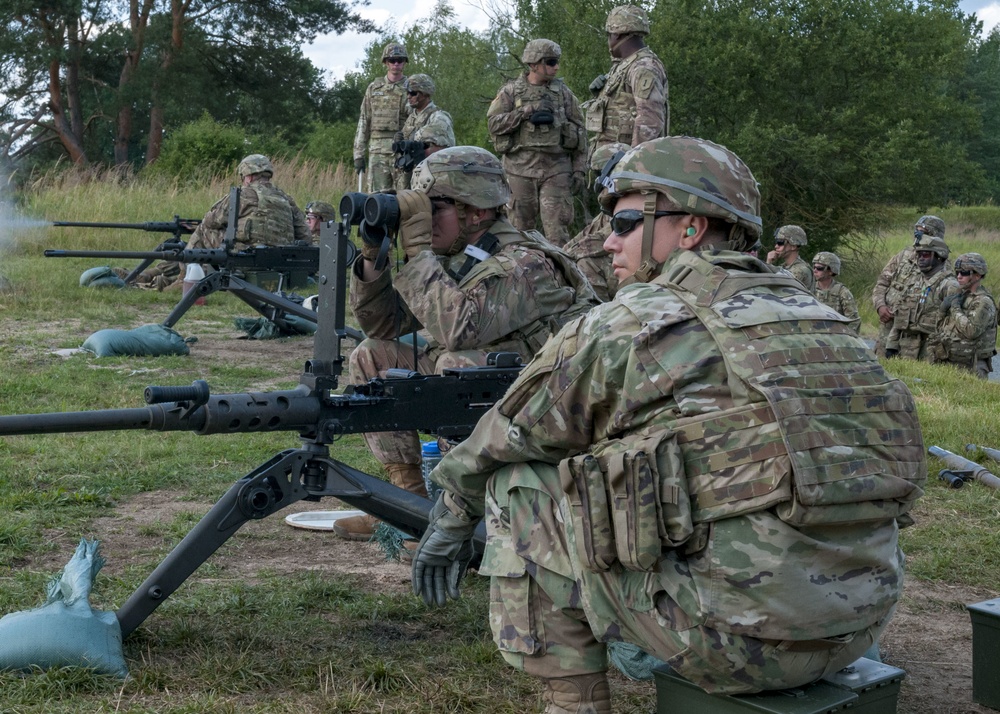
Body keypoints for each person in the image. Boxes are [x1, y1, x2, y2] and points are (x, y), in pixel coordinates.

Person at [410, 136, 925, 712]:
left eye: (626, 220)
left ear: (689, 230)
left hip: (735, 645)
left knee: (517, 483)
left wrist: (452, 519)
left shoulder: (633, 320)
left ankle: (573, 702)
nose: (608, 240)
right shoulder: (827, 319)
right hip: (858, 630)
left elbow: (502, 439)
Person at [333, 145, 599, 541]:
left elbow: (460, 330)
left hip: (553, 395)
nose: (420, 219)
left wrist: (418, 253)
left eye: (433, 207)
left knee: (459, 364)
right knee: (372, 354)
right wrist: (375, 255)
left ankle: (466, 511)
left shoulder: (524, 263)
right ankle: (407, 506)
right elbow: (384, 324)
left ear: (478, 211)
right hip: (502, 384)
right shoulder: (454, 256)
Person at [133, 154, 309, 290]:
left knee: (202, 230)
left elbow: (211, 221)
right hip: (279, 266)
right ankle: (157, 275)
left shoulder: (243, 194)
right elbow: (305, 237)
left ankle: (183, 280)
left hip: (245, 260)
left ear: (247, 176)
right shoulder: (287, 199)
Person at [487, 39, 587, 246]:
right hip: (519, 170)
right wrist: (525, 112)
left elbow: (580, 132)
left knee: (558, 234)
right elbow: (494, 124)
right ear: (533, 64)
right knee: (518, 234)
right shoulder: (510, 92)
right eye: (550, 62)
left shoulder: (564, 94)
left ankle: (562, 276)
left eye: (557, 62)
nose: (556, 67)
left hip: (556, 169)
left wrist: (579, 169)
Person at [583, 6, 667, 165]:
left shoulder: (643, 67)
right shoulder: (625, 65)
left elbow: (650, 120)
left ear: (617, 34)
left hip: (626, 165)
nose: (609, 40)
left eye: (609, 34)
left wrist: (632, 164)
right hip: (613, 162)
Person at [563, 141, 632, 301]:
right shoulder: (607, 213)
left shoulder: (630, 207)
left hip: (633, 277)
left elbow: (596, 243)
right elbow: (582, 238)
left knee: (586, 264)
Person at [872, 215, 948, 357]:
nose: (918, 235)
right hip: (888, 327)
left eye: (923, 232)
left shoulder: (941, 264)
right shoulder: (903, 257)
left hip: (916, 335)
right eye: (916, 231)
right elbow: (882, 283)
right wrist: (880, 305)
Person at [885, 234, 957, 360]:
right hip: (905, 350)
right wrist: (891, 346)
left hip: (931, 352)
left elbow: (954, 326)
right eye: (919, 255)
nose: (921, 258)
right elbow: (899, 315)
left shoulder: (949, 285)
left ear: (939, 257)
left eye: (926, 255)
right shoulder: (913, 282)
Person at [929, 252, 997, 378]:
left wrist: (955, 308)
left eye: (964, 273)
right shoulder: (959, 295)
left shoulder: (983, 302)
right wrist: (942, 311)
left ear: (977, 275)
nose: (959, 277)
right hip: (948, 360)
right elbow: (940, 329)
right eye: (957, 273)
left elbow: (971, 331)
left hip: (971, 365)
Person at [353, 42, 410, 193]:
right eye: (392, 60)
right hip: (377, 153)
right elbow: (364, 120)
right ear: (386, 62)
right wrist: (358, 154)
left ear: (405, 62)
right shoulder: (374, 88)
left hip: (401, 151)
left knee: (404, 197)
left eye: (400, 60)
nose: (396, 64)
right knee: (378, 200)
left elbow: (417, 120)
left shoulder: (412, 88)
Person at [392, 73, 455, 191]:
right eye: (407, 93)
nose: (409, 96)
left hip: (428, 182)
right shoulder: (412, 117)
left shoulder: (438, 117)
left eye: (413, 93)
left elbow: (446, 151)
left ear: (425, 94)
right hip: (408, 179)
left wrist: (422, 152)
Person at [812, 250, 861, 333]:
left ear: (831, 271)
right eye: (814, 267)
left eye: (819, 268)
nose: (815, 270)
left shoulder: (842, 292)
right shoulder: (809, 289)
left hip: (836, 337)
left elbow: (853, 321)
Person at [766, 225, 814, 293]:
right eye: (776, 242)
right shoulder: (784, 267)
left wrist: (769, 264)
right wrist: (769, 263)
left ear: (793, 246)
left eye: (780, 243)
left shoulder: (801, 270)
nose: (776, 246)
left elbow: (776, 289)